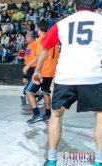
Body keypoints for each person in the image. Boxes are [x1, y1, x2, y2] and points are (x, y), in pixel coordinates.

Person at [32, 1, 102, 165]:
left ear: (75, 7)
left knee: (56, 115)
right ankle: (98, 160)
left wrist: (38, 70)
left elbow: (44, 47)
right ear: (93, 6)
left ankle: (51, 158)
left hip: (66, 76)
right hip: (92, 75)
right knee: (100, 115)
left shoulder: (62, 23)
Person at [25, 20, 59, 124]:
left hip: (42, 71)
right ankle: (48, 114)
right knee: (46, 91)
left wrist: (28, 65)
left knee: (28, 91)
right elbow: (57, 56)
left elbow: (39, 55)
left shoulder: (41, 40)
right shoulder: (54, 40)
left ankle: (36, 114)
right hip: (51, 71)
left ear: (39, 30)